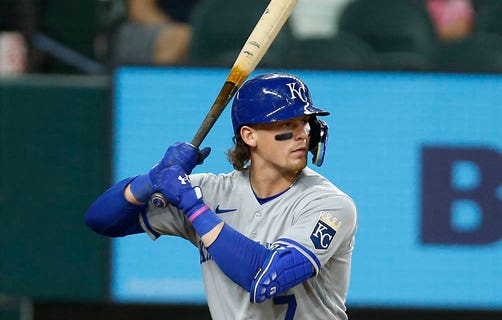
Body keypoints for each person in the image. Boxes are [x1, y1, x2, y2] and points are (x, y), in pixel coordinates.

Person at [85, 72, 358, 320]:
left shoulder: (329, 204)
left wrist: (193, 207)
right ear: (249, 135)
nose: (302, 135)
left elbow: (267, 278)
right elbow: (102, 220)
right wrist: (152, 178)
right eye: (287, 124)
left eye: (305, 123)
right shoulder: (213, 192)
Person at [113, 0, 199, 66]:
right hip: (145, 29)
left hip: (198, 33)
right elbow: (139, 10)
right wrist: (176, 32)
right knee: (180, 37)